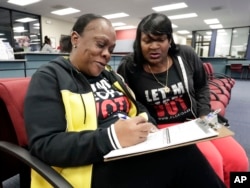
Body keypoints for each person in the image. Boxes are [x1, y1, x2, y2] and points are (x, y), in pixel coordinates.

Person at [24, 13, 226, 188]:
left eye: (110, 49)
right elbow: (44, 145)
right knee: (184, 158)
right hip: (89, 168)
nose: (106, 54)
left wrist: (149, 127)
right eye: (100, 45)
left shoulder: (109, 75)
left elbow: (137, 106)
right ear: (75, 38)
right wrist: (112, 137)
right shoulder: (50, 76)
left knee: (183, 156)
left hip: (128, 152)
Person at [117, 13, 249, 188]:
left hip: (199, 118)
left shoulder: (185, 55)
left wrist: (204, 113)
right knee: (212, 162)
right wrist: (148, 122)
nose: (154, 46)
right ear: (139, 42)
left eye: (160, 39)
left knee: (238, 160)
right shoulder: (129, 66)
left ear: (169, 40)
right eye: (147, 40)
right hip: (163, 127)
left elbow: (202, 86)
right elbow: (129, 101)